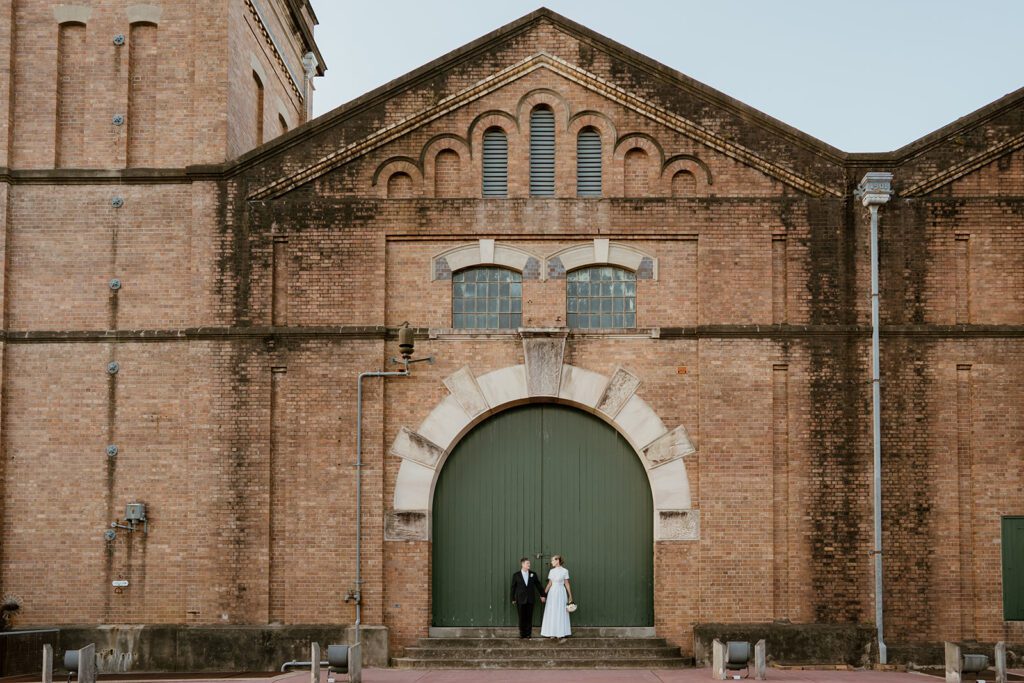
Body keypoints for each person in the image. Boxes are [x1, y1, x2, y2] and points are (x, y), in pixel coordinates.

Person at [510, 557, 546, 639]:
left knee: (529, 617)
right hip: (520, 599)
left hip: (530, 599)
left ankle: (528, 634)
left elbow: (538, 585)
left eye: (529, 563)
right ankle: (522, 634)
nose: (529, 565)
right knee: (521, 617)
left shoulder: (533, 574)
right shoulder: (516, 575)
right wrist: (512, 598)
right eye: (527, 563)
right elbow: (513, 587)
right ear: (522, 564)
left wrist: (543, 595)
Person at [540, 554, 572, 640]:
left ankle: (560, 632)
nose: (551, 562)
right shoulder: (552, 571)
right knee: (552, 610)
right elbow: (550, 583)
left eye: (553, 560)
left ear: (557, 560)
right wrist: (544, 594)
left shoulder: (565, 571)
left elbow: (567, 584)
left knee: (560, 611)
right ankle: (552, 632)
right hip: (552, 593)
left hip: (561, 592)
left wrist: (570, 596)